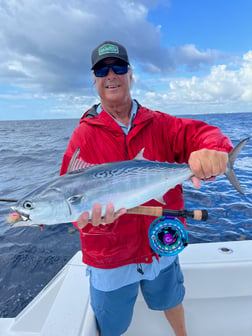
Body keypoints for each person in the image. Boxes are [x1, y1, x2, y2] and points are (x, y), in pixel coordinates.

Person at [60, 41, 233, 336]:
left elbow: (203, 135)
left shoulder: (161, 124)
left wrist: (213, 151)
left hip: (161, 242)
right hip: (109, 254)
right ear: (94, 79)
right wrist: (90, 224)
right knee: (110, 324)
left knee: (171, 299)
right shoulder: (83, 136)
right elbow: (71, 198)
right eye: (102, 69)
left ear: (131, 74)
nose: (111, 74)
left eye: (119, 67)